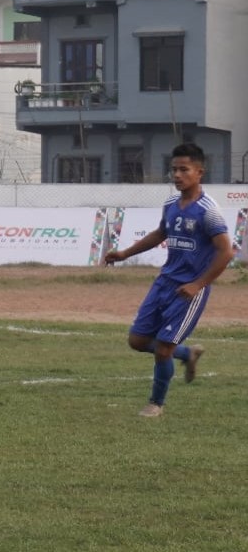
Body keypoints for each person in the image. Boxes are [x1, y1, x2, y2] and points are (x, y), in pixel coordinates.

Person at [103, 143, 231, 418]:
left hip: (189, 290)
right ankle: (187, 354)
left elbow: (226, 251)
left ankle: (156, 404)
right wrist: (125, 253)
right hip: (164, 282)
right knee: (137, 341)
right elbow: (161, 233)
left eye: (183, 170)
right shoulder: (171, 205)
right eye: (173, 169)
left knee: (163, 348)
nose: (176, 175)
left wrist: (199, 284)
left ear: (199, 172)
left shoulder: (208, 210)